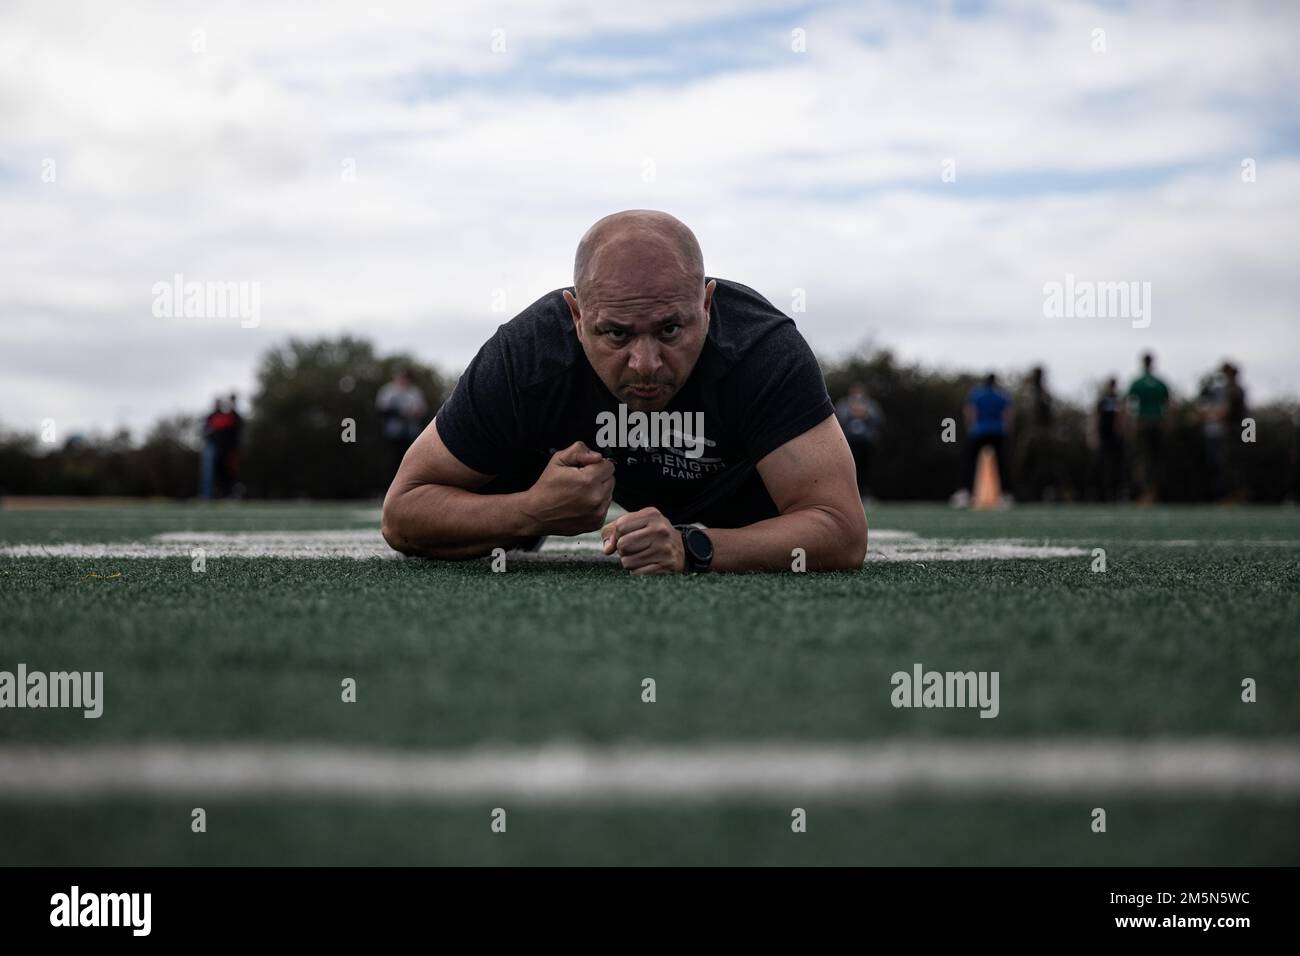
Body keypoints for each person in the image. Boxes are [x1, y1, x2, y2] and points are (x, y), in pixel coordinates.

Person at [381, 209, 867, 573]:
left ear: (707, 305)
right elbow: (403, 514)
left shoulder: (762, 351)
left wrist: (693, 546)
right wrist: (531, 510)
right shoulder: (528, 355)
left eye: (671, 329)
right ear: (575, 317)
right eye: (616, 334)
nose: (646, 364)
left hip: (748, 518)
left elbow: (840, 530)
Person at [953, 373, 1012, 507]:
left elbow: (970, 412)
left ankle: (964, 493)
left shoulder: (976, 394)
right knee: (1002, 464)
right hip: (998, 432)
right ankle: (1006, 495)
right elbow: (1007, 415)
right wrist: (1007, 430)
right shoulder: (1002, 395)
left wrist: (970, 428)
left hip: (979, 431)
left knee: (970, 463)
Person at [1126, 352, 1170, 503]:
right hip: (1157, 423)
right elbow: (1169, 404)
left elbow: (1128, 404)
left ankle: (1148, 492)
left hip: (1144, 424)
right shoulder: (1159, 383)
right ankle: (1152, 492)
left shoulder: (1138, 383)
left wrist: (1131, 423)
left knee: (1144, 459)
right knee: (1154, 459)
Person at [835, 383, 885, 502]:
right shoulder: (844, 405)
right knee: (849, 469)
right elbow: (836, 419)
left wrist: (865, 414)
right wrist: (851, 413)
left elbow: (878, 420)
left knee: (866, 471)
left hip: (866, 445)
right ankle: (849, 496)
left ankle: (866, 495)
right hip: (848, 444)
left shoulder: (871, 405)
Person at [1016, 366, 1059, 502]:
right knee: (1034, 465)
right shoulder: (1038, 393)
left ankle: (1038, 492)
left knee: (1036, 465)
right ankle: (1033, 492)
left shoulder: (1038, 394)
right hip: (1038, 433)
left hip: (1037, 434)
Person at [376, 369, 429, 477]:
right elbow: (381, 410)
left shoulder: (415, 392)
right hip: (393, 433)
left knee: (410, 460)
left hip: (411, 433)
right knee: (393, 461)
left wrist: (415, 414)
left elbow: (423, 411)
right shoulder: (387, 391)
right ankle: (389, 488)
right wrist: (400, 413)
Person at [1087, 377, 1126, 502]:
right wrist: (1093, 434)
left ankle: (1115, 493)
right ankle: (1098, 493)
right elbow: (1095, 417)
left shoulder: (1118, 400)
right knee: (1101, 464)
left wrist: (1122, 431)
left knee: (1116, 466)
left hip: (1116, 438)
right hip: (1104, 436)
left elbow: (1122, 417)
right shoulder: (1102, 400)